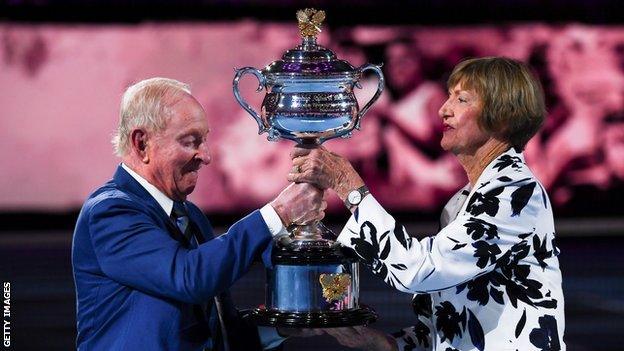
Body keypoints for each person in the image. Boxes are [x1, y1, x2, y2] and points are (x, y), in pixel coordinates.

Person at [289, 57, 565, 350]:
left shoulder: (514, 192)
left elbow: (420, 269)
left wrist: (348, 186)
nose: (443, 110)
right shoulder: (464, 200)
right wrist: (387, 345)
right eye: (449, 97)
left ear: (503, 116)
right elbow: (451, 325)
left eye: (461, 99)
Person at [72, 77, 326, 351]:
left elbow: (212, 332)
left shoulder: (190, 216)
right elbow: (189, 278)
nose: (205, 156)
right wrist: (280, 213)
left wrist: (280, 327)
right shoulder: (110, 212)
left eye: (204, 140)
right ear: (141, 144)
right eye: (190, 141)